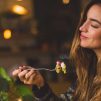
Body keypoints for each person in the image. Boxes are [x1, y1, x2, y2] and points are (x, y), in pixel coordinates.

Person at [12, 0, 101, 100]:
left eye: (94, 25)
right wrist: (40, 83)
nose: (82, 28)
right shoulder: (88, 71)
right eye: (84, 20)